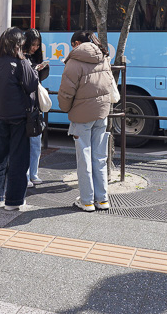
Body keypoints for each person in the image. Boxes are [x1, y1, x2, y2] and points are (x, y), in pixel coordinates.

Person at [0, 27, 39, 210]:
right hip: (20, 116)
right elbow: (31, 85)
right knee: (18, 159)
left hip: (3, 114)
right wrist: (31, 68)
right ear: (16, 45)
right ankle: (14, 201)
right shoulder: (20, 62)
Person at [58, 30, 114, 212]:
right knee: (100, 157)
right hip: (102, 113)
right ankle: (103, 199)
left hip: (81, 116)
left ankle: (87, 201)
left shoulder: (74, 62)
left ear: (76, 44)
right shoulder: (104, 57)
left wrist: (66, 108)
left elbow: (66, 92)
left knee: (84, 158)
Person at [24, 28, 50, 187]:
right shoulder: (21, 58)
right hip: (26, 105)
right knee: (26, 144)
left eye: (37, 45)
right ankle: (26, 175)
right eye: (32, 44)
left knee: (35, 143)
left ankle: (33, 173)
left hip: (35, 106)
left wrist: (41, 69)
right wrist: (34, 70)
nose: (34, 48)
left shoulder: (33, 58)